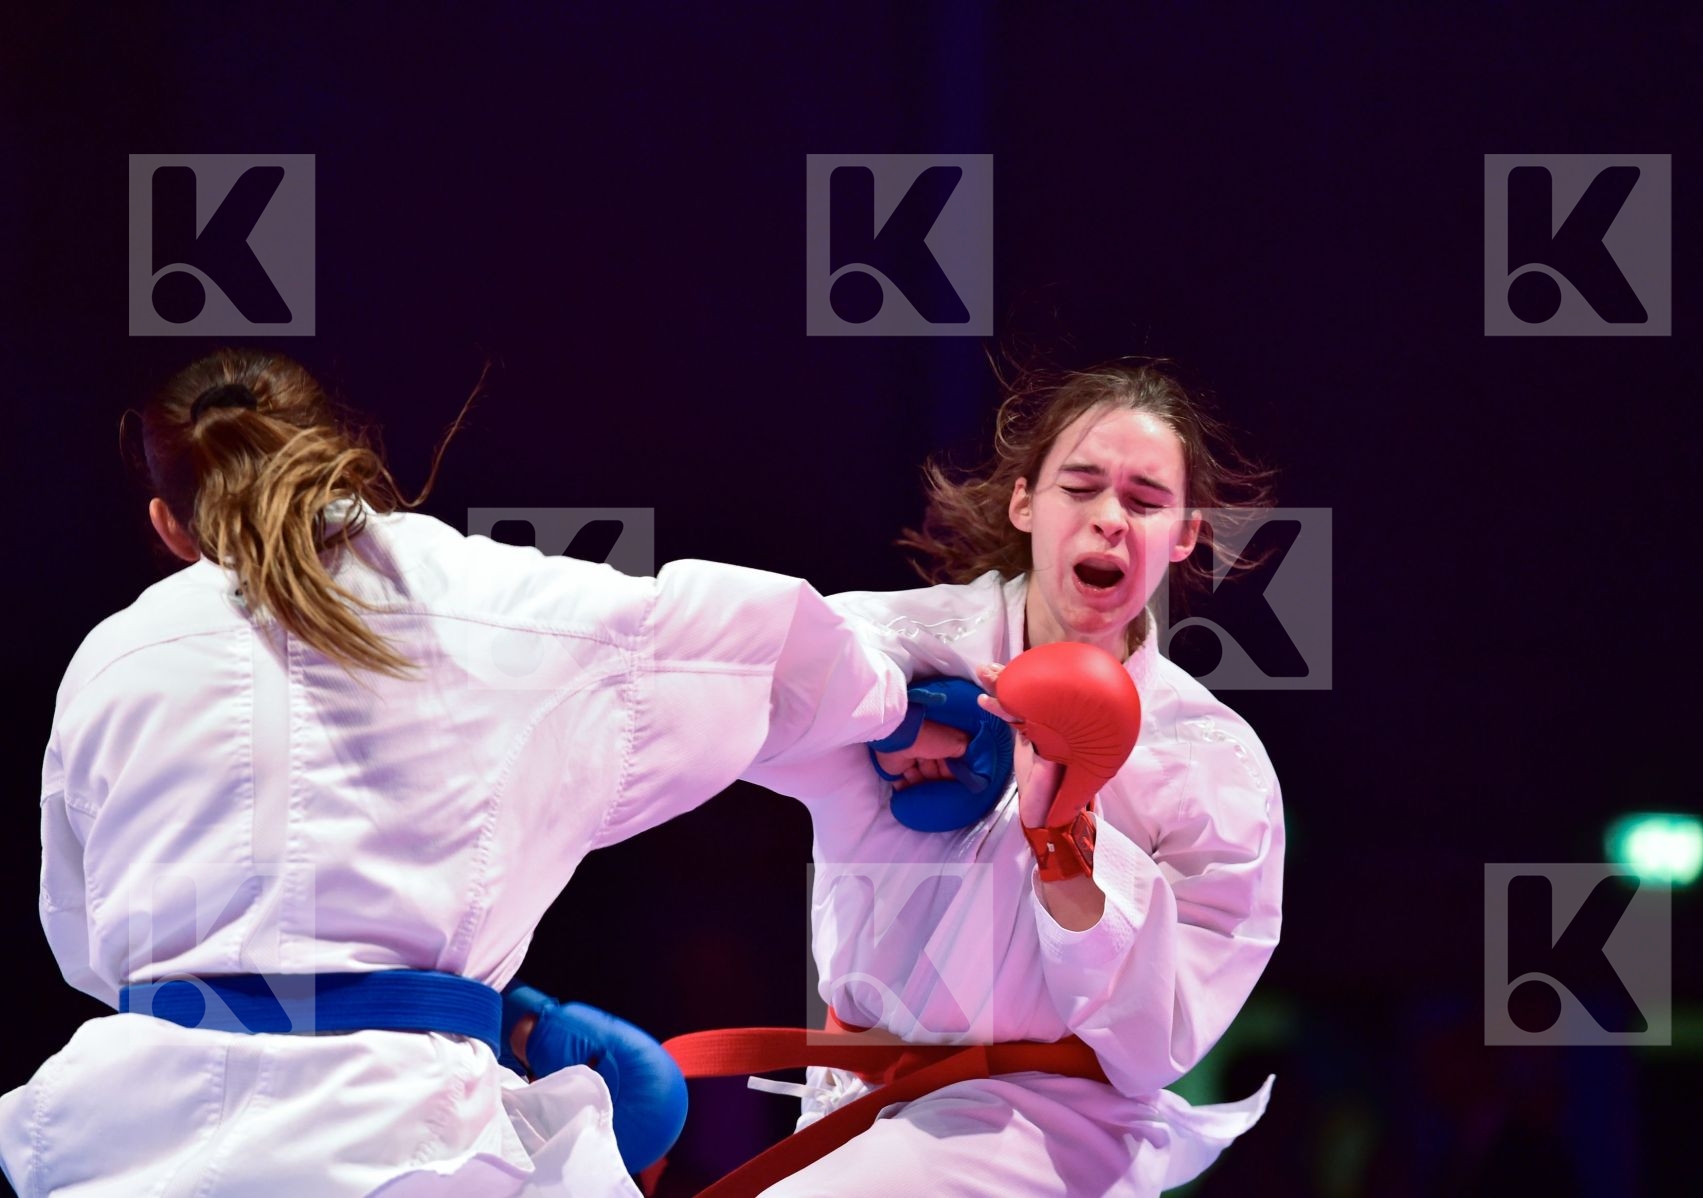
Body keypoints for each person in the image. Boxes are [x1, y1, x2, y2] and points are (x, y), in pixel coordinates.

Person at [0, 348, 910, 1198]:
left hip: (123, 1146)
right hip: (408, 1145)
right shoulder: (479, 598)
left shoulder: (109, 659)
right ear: (341, 457)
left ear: (167, 523)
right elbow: (754, 647)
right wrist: (904, 703)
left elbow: (87, 941)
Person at [706, 358, 1288, 1196]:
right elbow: (736, 691)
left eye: (1145, 501)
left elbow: (1157, 1037)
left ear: (1186, 533)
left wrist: (1068, 847)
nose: (1110, 520)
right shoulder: (902, 647)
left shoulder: (1210, 764)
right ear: (1026, 503)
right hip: (856, 1112)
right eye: (1080, 487)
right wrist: (892, 716)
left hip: (1053, 1130)